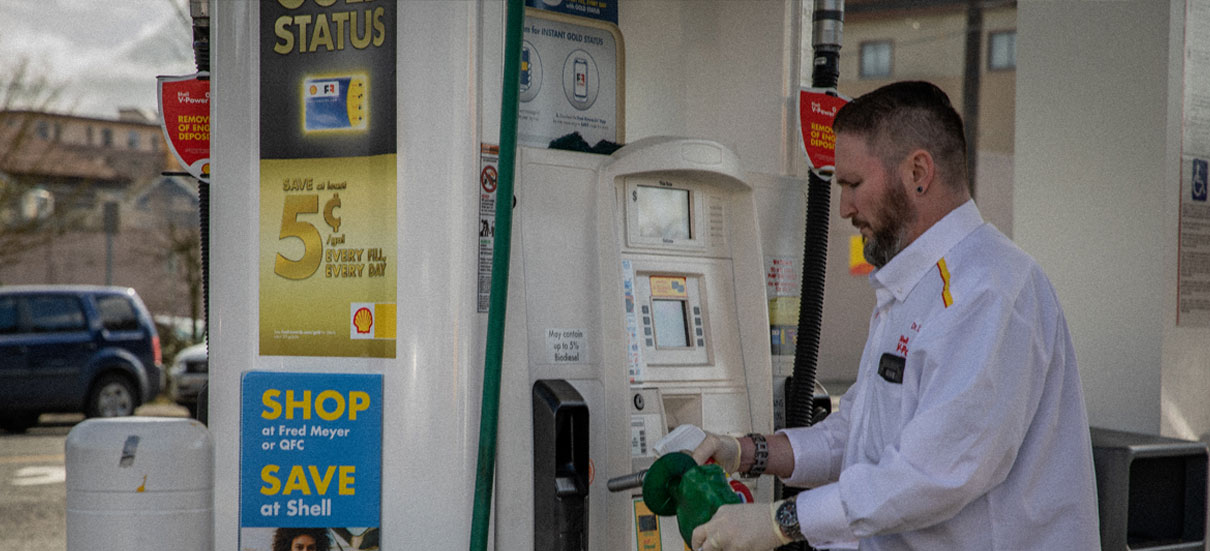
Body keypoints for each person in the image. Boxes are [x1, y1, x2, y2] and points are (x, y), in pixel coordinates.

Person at [689, 81, 1100, 550]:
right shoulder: (914, 288)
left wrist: (780, 521)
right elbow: (860, 434)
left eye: (853, 184)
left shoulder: (987, 291)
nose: (844, 208)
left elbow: (930, 476)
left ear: (918, 172)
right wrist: (745, 452)